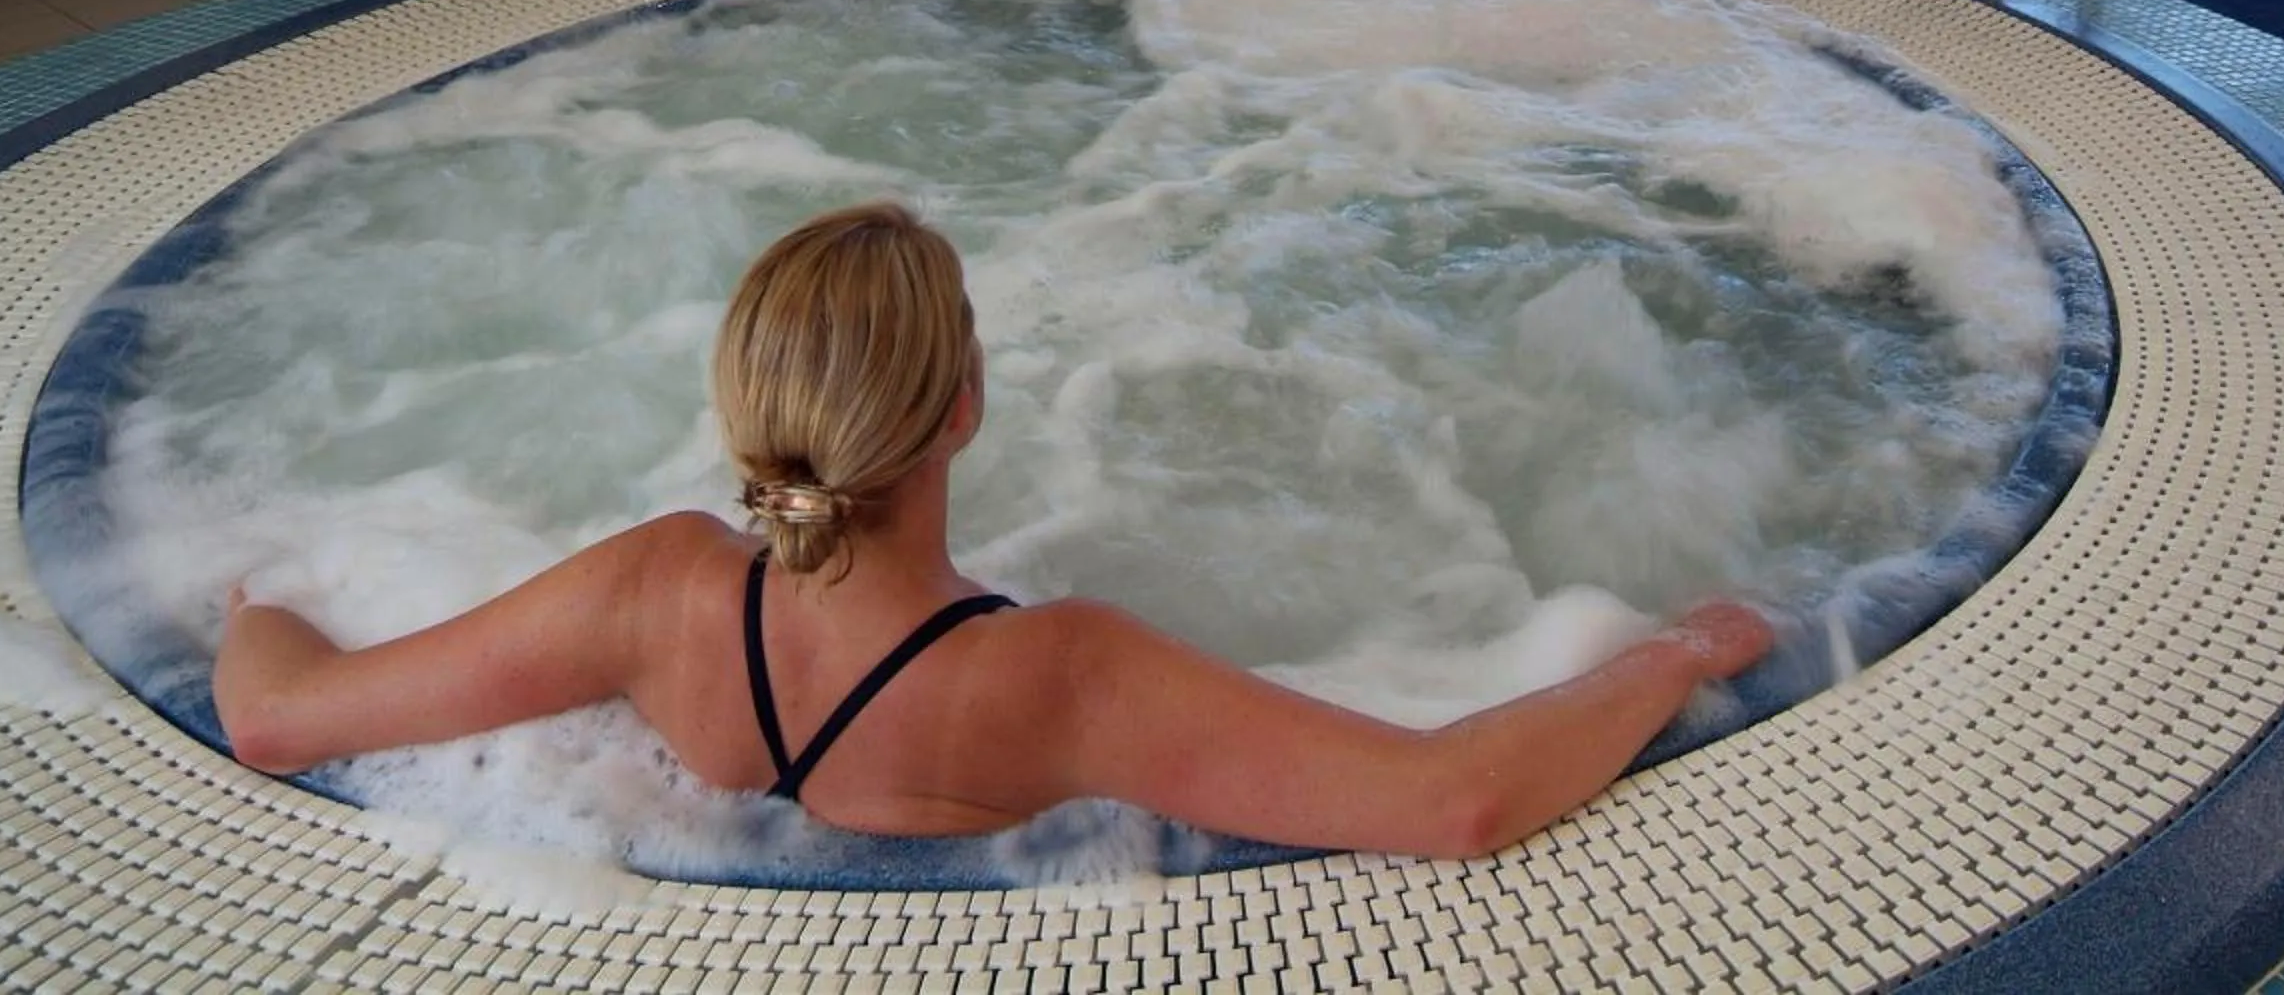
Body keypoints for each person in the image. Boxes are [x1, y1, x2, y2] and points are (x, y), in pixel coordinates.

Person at [213, 204, 1773, 856]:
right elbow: (1456, 804)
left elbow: (276, 715)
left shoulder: (655, 593)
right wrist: (1671, 655)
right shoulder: (1057, 678)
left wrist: (248, 597)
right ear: (965, 405)